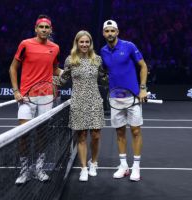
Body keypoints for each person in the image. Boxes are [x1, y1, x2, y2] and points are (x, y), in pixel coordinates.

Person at [9, 14, 63, 185]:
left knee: (42, 134)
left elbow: (54, 69)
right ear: (36, 28)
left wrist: (71, 73)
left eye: (47, 27)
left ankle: (38, 168)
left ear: (51, 30)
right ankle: (24, 170)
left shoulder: (55, 48)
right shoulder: (25, 44)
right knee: (23, 134)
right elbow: (13, 68)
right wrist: (16, 91)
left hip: (46, 96)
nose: (44, 30)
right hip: (26, 96)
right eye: (41, 27)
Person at [100, 20, 148, 181]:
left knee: (135, 131)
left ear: (117, 32)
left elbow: (143, 66)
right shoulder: (103, 51)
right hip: (115, 98)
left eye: (112, 31)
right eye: (107, 31)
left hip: (133, 97)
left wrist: (142, 88)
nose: (110, 34)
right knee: (119, 132)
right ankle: (123, 166)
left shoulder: (129, 46)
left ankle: (136, 167)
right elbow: (107, 72)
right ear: (103, 34)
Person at [60, 30, 104, 182]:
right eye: (82, 42)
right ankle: (83, 168)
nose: (84, 44)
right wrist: (46, 78)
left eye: (87, 42)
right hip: (78, 101)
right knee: (82, 136)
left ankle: (94, 163)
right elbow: (63, 79)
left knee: (96, 135)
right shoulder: (70, 60)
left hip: (95, 101)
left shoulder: (97, 59)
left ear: (90, 43)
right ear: (77, 43)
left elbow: (105, 78)